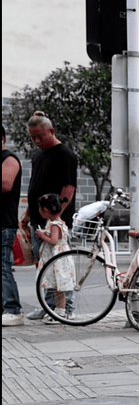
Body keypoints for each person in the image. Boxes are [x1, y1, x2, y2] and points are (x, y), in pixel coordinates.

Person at [20, 111, 78, 320]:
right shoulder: (37, 157)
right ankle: (48, 305)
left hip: (55, 221)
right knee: (44, 265)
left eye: (40, 136)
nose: (36, 141)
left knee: (60, 266)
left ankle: (67, 308)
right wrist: (27, 216)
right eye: (32, 137)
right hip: (38, 220)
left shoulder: (65, 155)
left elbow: (68, 189)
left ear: (50, 131)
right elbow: (34, 188)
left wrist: (56, 218)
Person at [35, 193, 75, 321]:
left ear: (45, 210)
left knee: (59, 288)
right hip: (59, 257)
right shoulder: (58, 222)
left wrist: (42, 236)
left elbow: (53, 241)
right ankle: (58, 311)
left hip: (57, 258)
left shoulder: (54, 224)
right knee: (58, 287)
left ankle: (60, 313)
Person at [2, 125, 24, 326]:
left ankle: (13, 309)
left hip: (3, 223)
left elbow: (5, 184)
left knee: (3, 267)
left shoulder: (9, 159)